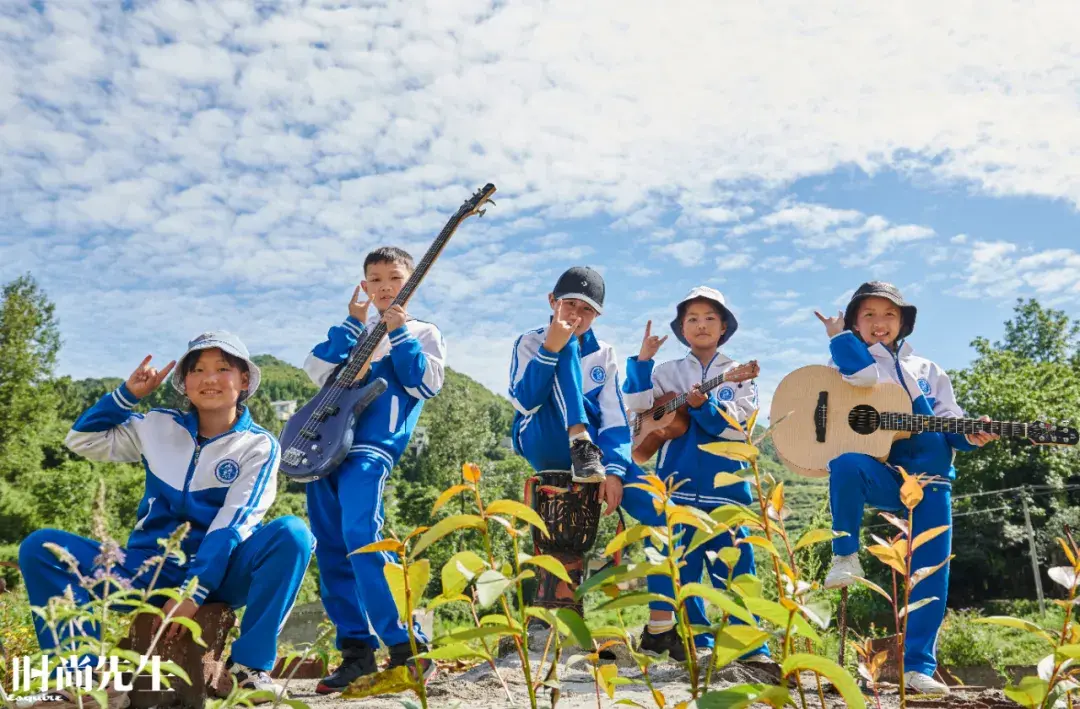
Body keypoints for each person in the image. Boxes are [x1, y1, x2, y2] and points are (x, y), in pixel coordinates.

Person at [20, 331, 313, 702]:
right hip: (148, 570)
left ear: (244, 380)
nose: (209, 378)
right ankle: (83, 682)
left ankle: (249, 669)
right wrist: (127, 396)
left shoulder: (258, 445)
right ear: (185, 383)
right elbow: (82, 440)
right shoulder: (156, 425)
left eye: (222, 368)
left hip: (221, 574)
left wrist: (194, 592)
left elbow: (233, 524)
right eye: (198, 369)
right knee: (40, 548)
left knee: (293, 533)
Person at [815, 281, 998, 695]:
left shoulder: (930, 370)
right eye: (869, 315)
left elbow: (953, 426)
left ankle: (917, 667)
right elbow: (850, 381)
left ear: (903, 322)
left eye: (889, 315)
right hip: (888, 475)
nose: (880, 323)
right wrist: (838, 336)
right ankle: (845, 555)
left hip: (933, 485)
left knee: (931, 575)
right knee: (844, 465)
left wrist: (974, 435)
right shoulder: (847, 362)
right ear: (854, 323)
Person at [302, 246, 445, 692]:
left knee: (363, 539)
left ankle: (407, 648)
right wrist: (350, 324)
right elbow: (314, 371)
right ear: (364, 286)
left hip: (370, 449)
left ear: (411, 282)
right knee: (329, 547)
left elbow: (426, 383)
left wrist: (399, 334)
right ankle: (356, 652)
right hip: (324, 449)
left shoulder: (422, 331)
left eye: (395, 278)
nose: (385, 286)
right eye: (376, 279)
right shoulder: (355, 331)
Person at [622, 286, 769, 664]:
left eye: (709, 318)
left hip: (728, 496)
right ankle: (697, 645)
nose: (701, 325)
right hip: (677, 490)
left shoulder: (737, 373)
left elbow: (740, 429)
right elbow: (637, 408)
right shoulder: (667, 371)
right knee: (684, 575)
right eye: (692, 319)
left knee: (736, 573)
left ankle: (752, 650)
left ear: (724, 328)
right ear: (682, 329)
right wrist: (641, 361)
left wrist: (702, 410)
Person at [508, 266, 630, 618]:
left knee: (578, 525)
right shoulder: (529, 341)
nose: (577, 315)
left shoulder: (605, 353)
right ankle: (579, 439)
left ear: (598, 315)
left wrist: (616, 471)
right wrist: (552, 347)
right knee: (565, 346)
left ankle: (562, 609)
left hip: (590, 455)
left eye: (587, 309)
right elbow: (525, 401)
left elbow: (614, 417)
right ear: (552, 301)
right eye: (569, 304)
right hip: (541, 434)